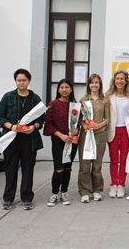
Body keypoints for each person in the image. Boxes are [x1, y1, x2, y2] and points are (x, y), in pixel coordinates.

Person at [0, 69, 45, 210]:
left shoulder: (35, 99)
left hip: (29, 140)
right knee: (10, 169)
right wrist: (11, 126)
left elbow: (42, 118)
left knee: (28, 169)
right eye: (19, 80)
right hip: (11, 139)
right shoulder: (8, 97)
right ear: (15, 81)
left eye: (24, 80)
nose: (21, 82)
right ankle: (8, 198)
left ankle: (27, 197)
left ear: (29, 81)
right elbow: (0, 115)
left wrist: (34, 127)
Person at [43, 79, 78, 207]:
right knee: (59, 168)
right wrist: (61, 135)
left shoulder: (75, 105)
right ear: (58, 90)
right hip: (58, 141)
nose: (64, 89)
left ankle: (64, 192)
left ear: (71, 89)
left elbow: (79, 122)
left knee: (68, 168)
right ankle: (54, 193)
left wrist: (75, 131)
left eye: (67, 87)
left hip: (72, 141)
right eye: (61, 87)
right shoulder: (53, 104)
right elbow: (48, 125)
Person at [78, 74, 109, 203]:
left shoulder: (105, 100)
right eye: (92, 83)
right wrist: (84, 125)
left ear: (100, 85)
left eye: (97, 82)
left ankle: (97, 190)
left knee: (97, 165)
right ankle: (85, 191)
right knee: (85, 165)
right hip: (86, 135)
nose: (94, 85)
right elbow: (79, 118)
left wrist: (98, 125)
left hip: (100, 135)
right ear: (88, 85)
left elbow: (107, 119)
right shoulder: (83, 100)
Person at [106, 70, 129, 198]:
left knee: (123, 159)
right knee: (113, 159)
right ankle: (113, 184)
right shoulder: (108, 96)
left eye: (122, 79)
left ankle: (121, 185)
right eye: (117, 78)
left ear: (126, 81)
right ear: (114, 80)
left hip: (126, 131)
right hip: (113, 130)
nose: (119, 81)